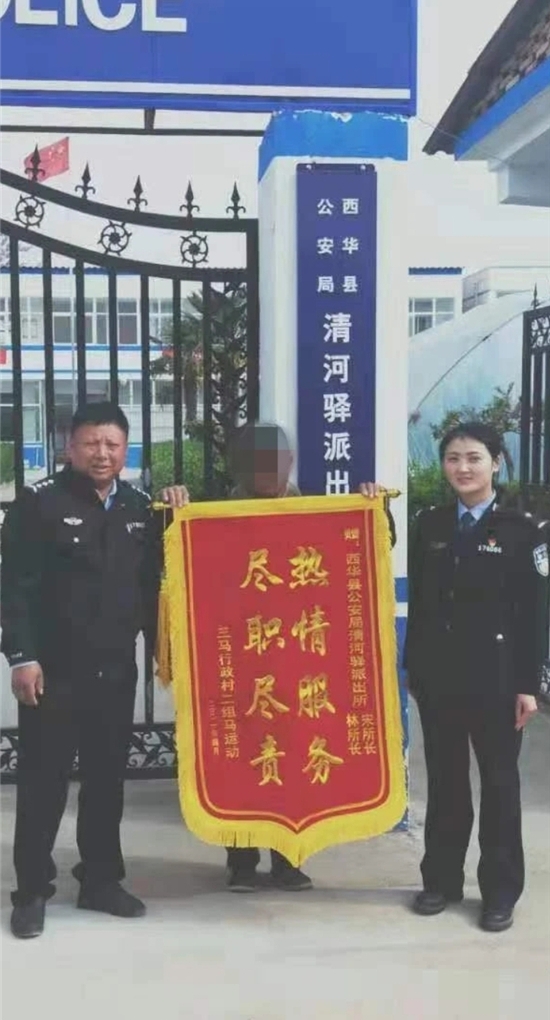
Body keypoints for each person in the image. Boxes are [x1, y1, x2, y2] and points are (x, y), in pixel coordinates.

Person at [1, 402, 188, 939]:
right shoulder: (39, 504)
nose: (101, 453)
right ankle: (32, 891)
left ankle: (101, 881)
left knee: (107, 782)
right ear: (70, 447)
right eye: (91, 443)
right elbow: (14, 588)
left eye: (112, 444)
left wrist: (177, 513)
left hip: (114, 671)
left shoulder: (139, 507)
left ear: (125, 450)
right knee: (43, 784)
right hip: (53, 673)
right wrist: (22, 657)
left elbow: (162, 581)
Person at [223, 422, 391, 892]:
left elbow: (371, 548)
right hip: (245, 659)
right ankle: (241, 861)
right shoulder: (216, 516)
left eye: (274, 461)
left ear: (289, 462)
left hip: (299, 660)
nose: (266, 471)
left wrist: (375, 509)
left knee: (294, 757)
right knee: (242, 761)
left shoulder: (314, 511)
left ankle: (288, 859)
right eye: (255, 463)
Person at [405, 422, 548, 933]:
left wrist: (529, 685)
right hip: (439, 680)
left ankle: (500, 892)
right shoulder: (430, 524)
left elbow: (535, 614)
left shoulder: (524, 529)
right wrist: (414, 667)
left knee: (500, 785)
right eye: (453, 458)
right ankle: (441, 881)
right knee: (446, 784)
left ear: (496, 463)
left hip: (498, 681)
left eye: (474, 458)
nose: (463, 468)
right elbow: (422, 603)